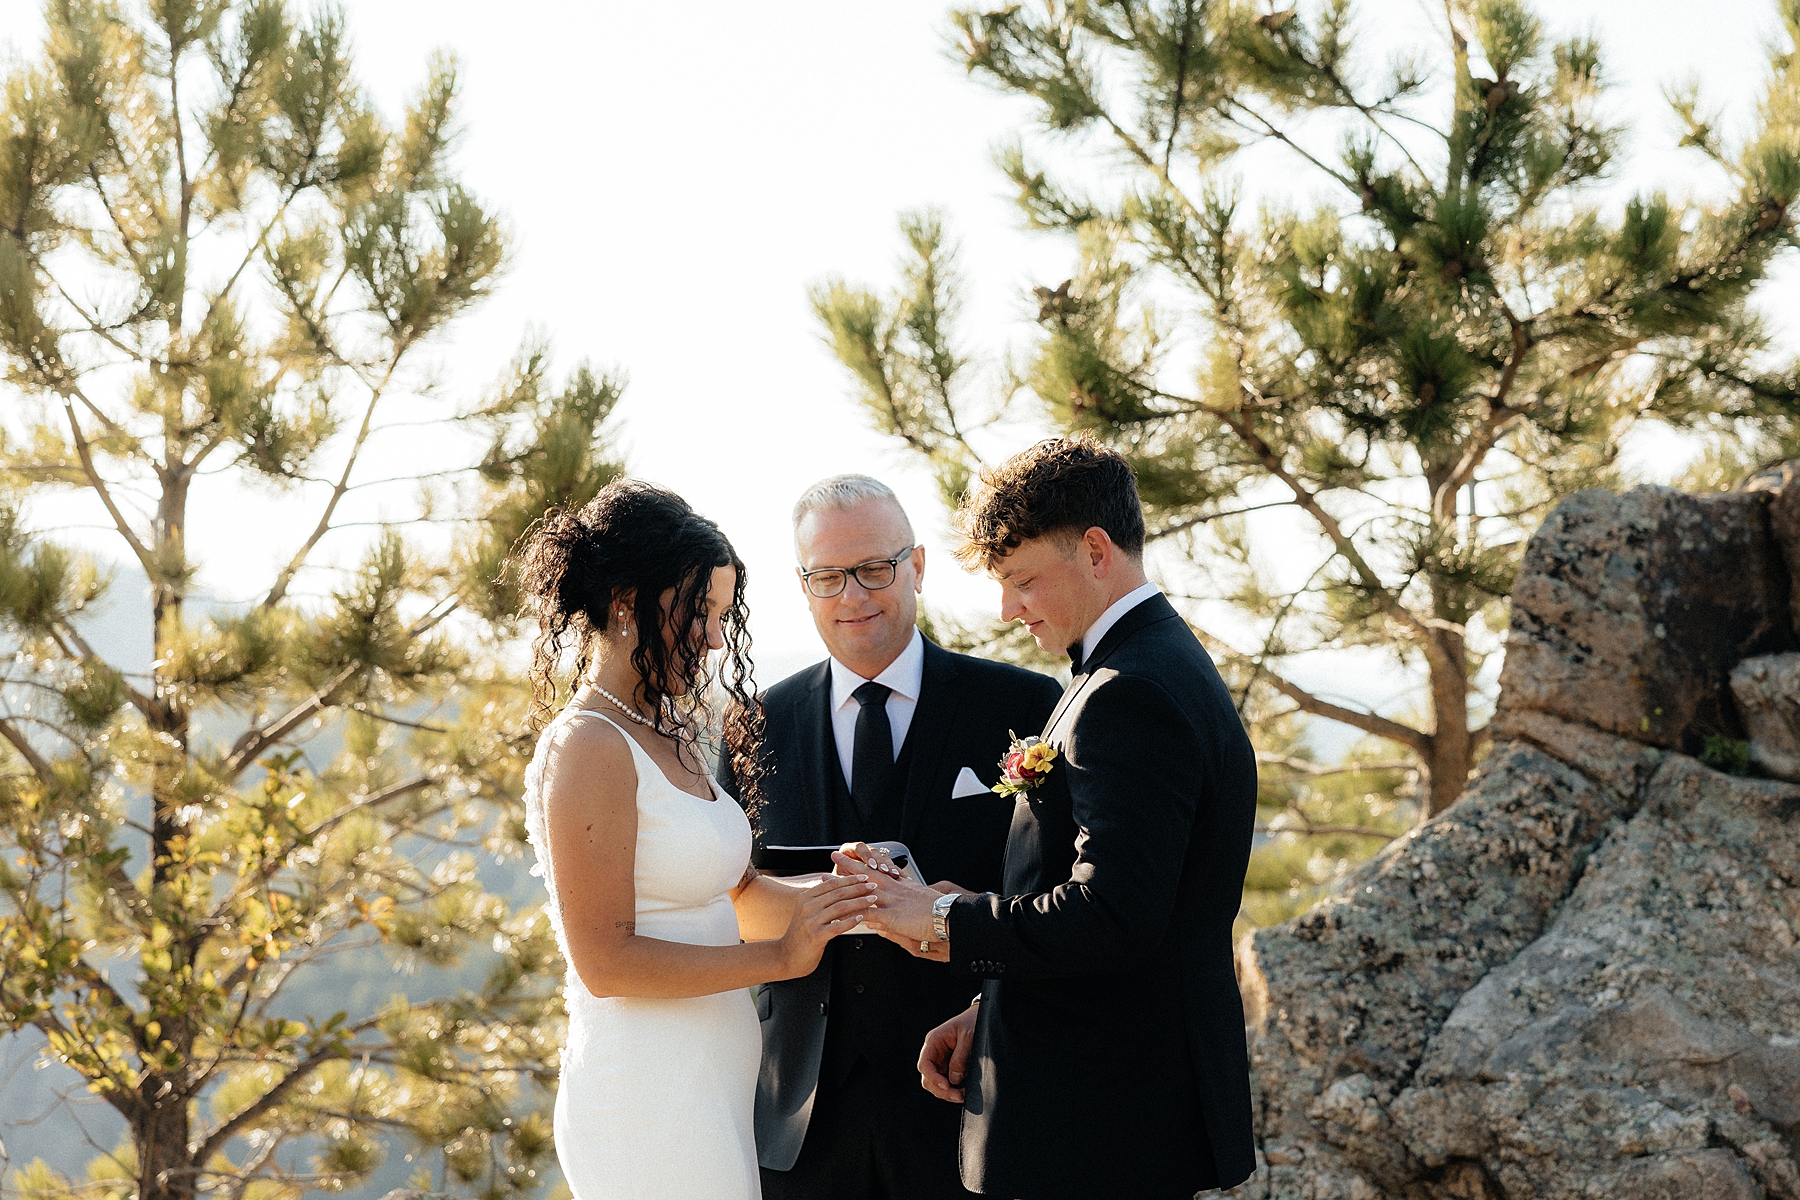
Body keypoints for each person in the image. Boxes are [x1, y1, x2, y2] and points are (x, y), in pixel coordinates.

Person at [847, 437, 1259, 1199]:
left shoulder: (1129, 693)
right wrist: (992, 1006)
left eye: (1023, 580)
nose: (1008, 609)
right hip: (1106, 1105)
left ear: (1096, 551)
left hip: (1102, 1126)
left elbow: (1113, 913)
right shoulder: (1145, 665)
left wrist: (943, 917)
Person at [515, 480, 877, 1200]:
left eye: (722, 614)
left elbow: (737, 895)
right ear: (626, 602)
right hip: (645, 1093)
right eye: (697, 612)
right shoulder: (588, 744)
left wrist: (853, 895)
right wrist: (775, 959)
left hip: (713, 1088)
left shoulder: (671, 730)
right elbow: (606, 961)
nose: (716, 638)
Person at [722, 475, 1061, 1200]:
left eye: (876, 568)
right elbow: (731, 901)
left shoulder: (1025, 705)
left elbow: (1059, 898)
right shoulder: (752, 727)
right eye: (828, 576)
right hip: (800, 1122)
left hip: (972, 1098)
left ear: (918, 566)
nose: (854, 595)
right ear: (803, 584)